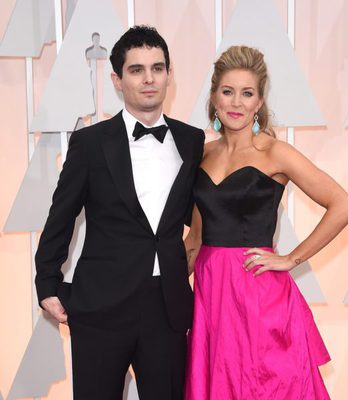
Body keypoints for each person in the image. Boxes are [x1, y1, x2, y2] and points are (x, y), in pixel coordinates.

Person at [35, 25, 204, 400]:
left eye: (157, 68)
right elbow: (61, 215)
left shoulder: (192, 141)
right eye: (136, 69)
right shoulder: (91, 143)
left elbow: (203, 213)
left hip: (167, 309)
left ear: (169, 75)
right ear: (117, 78)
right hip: (101, 307)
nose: (149, 79)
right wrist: (46, 282)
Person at [184, 46, 348, 399]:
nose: (237, 102)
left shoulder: (274, 152)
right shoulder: (201, 154)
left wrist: (291, 258)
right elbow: (196, 238)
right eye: (228, 91)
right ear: (214, 97)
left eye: (247, 93)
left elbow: (343, 205)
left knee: (267, 385)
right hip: (211, 292)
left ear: (259, 101)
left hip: (257, 291)